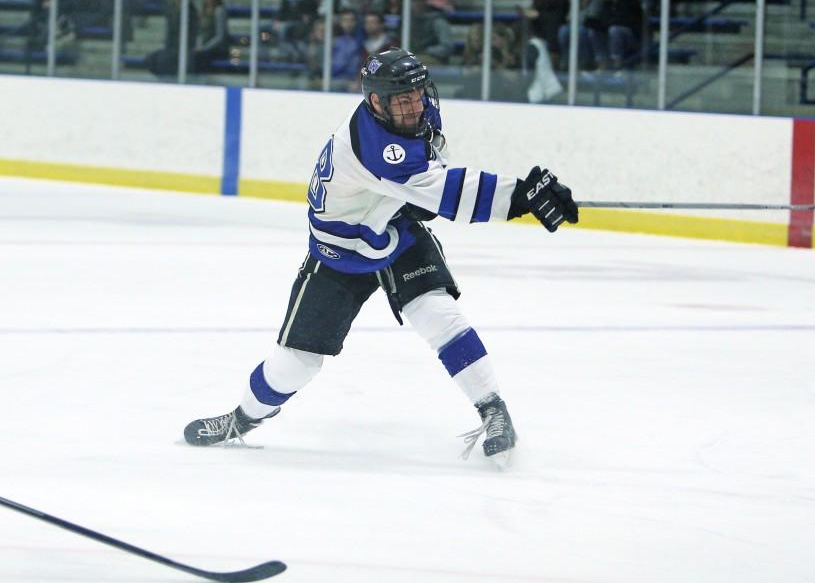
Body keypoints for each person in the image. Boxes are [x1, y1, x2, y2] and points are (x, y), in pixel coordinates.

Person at [183, 48, 579, 466]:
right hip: (342, 248)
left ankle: (493, 409)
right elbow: (445, 192)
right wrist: (521, 195)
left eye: (417, 94)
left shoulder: (413, 116)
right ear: (376, 103)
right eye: (402, 100)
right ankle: (242, 418)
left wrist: (514, 195)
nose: (414, 106)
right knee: (295, 364)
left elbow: (430, 181)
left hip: (393, 223)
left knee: (438, 313)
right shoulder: (373, 147)